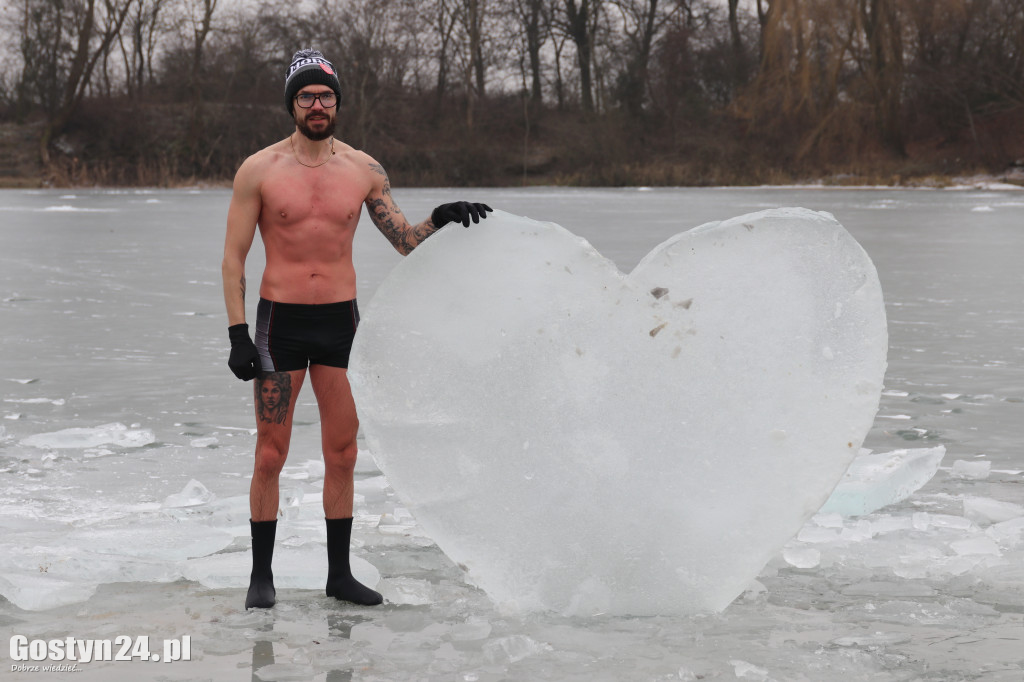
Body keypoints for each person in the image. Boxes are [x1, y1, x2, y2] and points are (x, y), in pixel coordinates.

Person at [222, 48, 492, 609]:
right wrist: (237, 333)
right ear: (292, 105)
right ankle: (260, 578)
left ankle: (339, 575)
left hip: (341, 323)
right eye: (306, 96)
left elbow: (403, 242)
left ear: (338, 103)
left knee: (342, 452)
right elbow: (233, 257)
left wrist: (440, 218)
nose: (317, 105)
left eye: (325, 96)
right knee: (270, 454)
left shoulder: (364, 170)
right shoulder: (260, 169)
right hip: (279, 323)